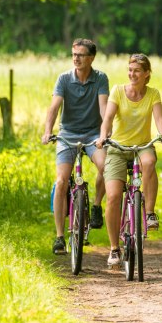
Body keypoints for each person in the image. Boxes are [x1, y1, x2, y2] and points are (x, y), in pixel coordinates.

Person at [96, 54, 162, 267]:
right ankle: (114, 249)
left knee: (149, 162)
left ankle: (149, 213)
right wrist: (104, 136)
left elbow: (159, 119)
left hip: (142, 147)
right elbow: (108, 119)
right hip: (118, 149)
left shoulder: (153, 94)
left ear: (147, 73)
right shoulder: (118, 91)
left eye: (137, 70)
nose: (132, 74)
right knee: (112, 197)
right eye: (130, 70)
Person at [42, 39, 109, 255]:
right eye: (74, 54)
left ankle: (97, 205)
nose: (76, 58)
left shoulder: (100, 78)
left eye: (81, 55)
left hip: (92, 134)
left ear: (91, 58)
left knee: (106, 168)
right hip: (67, 134)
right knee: (61, 181)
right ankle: (60, 236)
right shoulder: (63, 78)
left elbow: (103, 107)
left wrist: (105, 133)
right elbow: (54, 107)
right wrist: (47, 131)